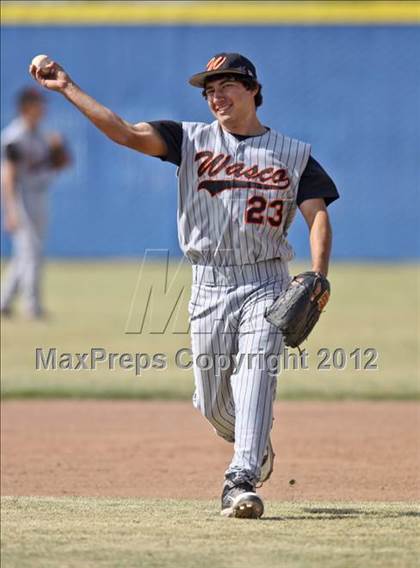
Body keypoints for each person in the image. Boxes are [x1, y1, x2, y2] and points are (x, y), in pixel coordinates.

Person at [30, 52, 339, 518]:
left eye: (227, 84)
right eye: (209, 89)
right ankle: (255, 448)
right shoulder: (189, 140)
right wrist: (68, 86)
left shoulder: (293, 155)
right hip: (209, 283)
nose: (217, 95)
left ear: (254, 89)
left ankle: (241, 478)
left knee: (257, 368)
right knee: (212, 402)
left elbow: (317, 216)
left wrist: (318, 274)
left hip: (266, 278)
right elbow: (124, 132)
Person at [1, 86, 71, 319]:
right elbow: (8, 176)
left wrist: (58, 148)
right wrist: (10, 210)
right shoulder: (14, 136)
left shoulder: (43, 134)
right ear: (25, 108)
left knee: (26, 252)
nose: (42, 108)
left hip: (40, 195)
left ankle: (4, 302)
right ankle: (32, 306)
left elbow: (62, 164)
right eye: (37, 104)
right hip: (22, 196)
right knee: (30, 251)